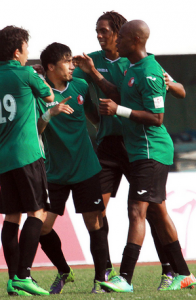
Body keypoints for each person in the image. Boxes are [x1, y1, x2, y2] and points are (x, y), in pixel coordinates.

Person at [73, 10, 186, 290]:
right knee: (98, 210)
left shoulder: (142, 65)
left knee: (145, 210)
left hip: (142, 145)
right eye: (96, 31)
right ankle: (104, 276)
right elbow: (80, 88)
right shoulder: (102, 62)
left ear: (123, 35)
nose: (99, 36)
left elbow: (164, 101)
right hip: (112, 146)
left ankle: (162, 272)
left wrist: (168, 85)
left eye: (106, 31)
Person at [98, 20, 196, 292]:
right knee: (159, 213)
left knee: (136, 211)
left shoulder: (150, 72)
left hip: (151, 150)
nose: (117, 41)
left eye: (123, 37)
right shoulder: (132, 67)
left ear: (137, 40)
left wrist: (119, 111)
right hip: (141, 150)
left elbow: (157, 117)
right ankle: (184, 274)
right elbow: (120, 94)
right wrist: (94, 74)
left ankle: (125, 278)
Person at [0, 26, 54, 296]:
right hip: (28, 154)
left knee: (12, 216)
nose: (28, 52)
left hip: (4, 157)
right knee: (38, 213)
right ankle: (24, 275)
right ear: (17, 51)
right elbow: (50, 96)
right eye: (26, 48)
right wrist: (33, 75)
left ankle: (12, 280)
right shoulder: (26, 73)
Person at [36, 42, 108, 294]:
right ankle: (64, 270)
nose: (72, 65)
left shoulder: (80, 85)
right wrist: (50, 114)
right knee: (42, 227)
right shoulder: (38, 93)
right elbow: (35, 130)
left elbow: (91, 113)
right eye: (67, 61)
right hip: (54, 172)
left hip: (85, 168)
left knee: (94, 223)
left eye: (71, 60)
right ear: (51, 67)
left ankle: (101, 279)